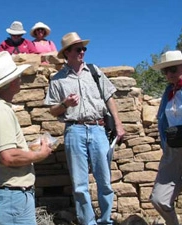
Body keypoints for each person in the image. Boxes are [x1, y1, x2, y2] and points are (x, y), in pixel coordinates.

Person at [44, 32, 125, 225]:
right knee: (80, 184)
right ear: (67, 53)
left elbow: (109, 98)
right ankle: (87, 222)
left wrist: (119, 124)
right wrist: (64, 104)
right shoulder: (57, 79)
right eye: (78, 49)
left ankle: (106, 221)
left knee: (104, 180)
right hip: (74, 130)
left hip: (98, 129)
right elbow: (52, 111)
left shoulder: (94, 71)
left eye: (83, 48)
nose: (82, 52)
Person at [0, 51, 52, 225]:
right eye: (17, 76)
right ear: (9, 82)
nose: (20, 79)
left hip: (10, 197)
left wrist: (28, 150)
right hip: (12, 198)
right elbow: (8, 156)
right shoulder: (0, 111)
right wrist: (39, 154)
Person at [150, 50, 182, 225]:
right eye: (165, 71)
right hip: (172, 151)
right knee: (158, 198)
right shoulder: (168, 92)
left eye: (173, 69)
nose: (169, 74)